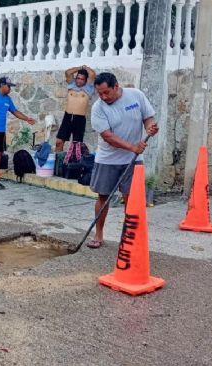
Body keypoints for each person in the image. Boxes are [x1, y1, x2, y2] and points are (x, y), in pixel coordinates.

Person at [86, 72, 159, 249]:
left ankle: (129, 236)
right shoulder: (98, 108)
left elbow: (147, 117)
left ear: (116, 87)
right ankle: (99, 234)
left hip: (133, 160)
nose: (103, 97)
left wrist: (150, 127)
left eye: (106, 92)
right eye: (99, 93)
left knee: (131, 199)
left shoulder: (136, 95)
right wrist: (132, 147)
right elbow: (108, 137)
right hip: (107, 159)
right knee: (103, 197)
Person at [0, 77, 36, 184]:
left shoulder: (7, 99)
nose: (10, 89)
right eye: (9, 86)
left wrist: (27, 118)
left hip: (1, 130)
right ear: (2, 85)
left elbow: (15, 111)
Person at [55, 65, 96, 152]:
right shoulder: (71, 84)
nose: (79, 81)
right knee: (59, 142)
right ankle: (58, 164)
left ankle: (75, 164)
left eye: (82, 79)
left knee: (76, 146)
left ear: (86, 80)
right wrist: (80, 68)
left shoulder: (88, 87)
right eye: (78, 78)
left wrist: (86, 68)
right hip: (67, 117)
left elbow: (92, 74)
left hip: (79, 119)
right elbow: (68, 72)